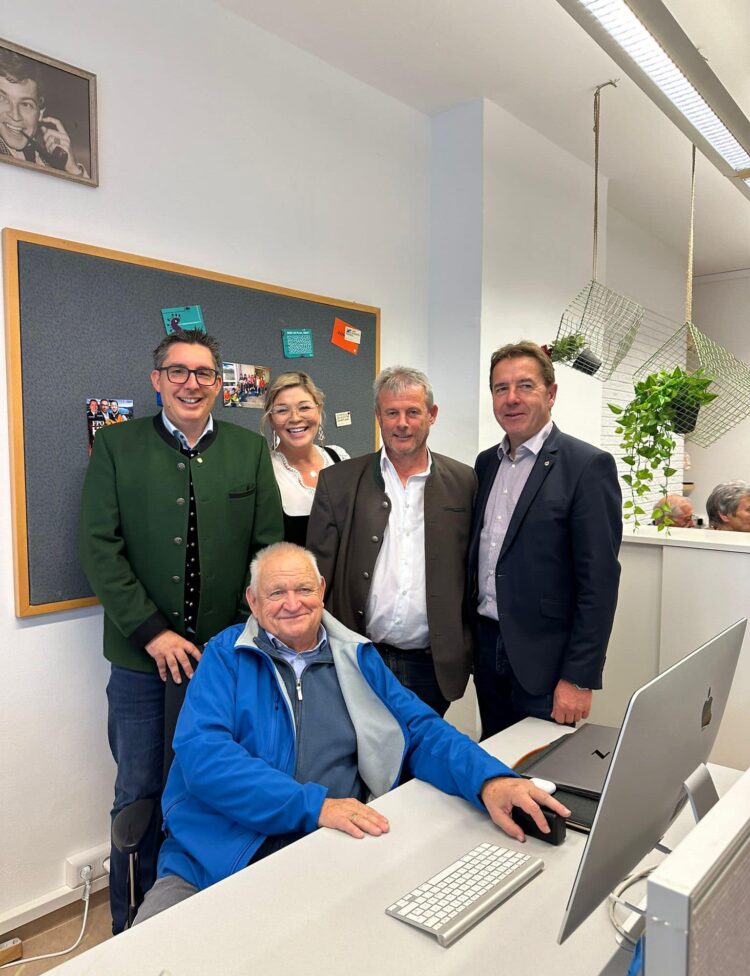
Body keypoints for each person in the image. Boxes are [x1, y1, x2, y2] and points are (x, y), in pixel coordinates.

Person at [132, 543, 569, 924]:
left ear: (322, 590)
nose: (292, 603)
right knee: (146, 969)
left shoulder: (357, 656)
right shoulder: (224, 656)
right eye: (276, 592)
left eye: (304, 589)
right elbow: (205, 757)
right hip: (211, 856)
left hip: (324, 851)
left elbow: (420, 730)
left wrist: (490, 780)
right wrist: (314, 805)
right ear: (252, 600)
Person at [79, 328, 283, 934]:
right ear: (157, 380)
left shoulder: (249, 450)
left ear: (219, 383)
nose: (191, 384)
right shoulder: (116, 446)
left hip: (226, 660)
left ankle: (209, 922)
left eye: (204, 373)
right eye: (178, 371)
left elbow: (267, 549)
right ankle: (130, 932)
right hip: (142, 661)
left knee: (218, 784)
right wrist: (152, 632)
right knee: (139, 796)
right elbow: (99, 548)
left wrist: (240, 638)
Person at [468, 341, 622, 739]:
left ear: (550, 394)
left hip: (548, 662)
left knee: (544, 768)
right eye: (501, 388)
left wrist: (579, 676)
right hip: (488, 648)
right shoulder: (485, 464)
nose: (511, 398)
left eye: (525, 386)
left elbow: (599, 583)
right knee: (494, 759)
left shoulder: (587, 466)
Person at [307, 366, 475, 717]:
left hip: (430, 666)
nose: (402, 423)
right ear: (378, 416)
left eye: (413, 412)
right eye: (392, 413)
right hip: (359, 658)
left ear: (432, 415)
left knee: (423, 750)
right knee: (360, 750)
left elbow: (471, 571)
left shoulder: (464, 482)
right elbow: (317, 577)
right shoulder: (338, 482)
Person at [262, 371, 349, 546]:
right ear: (271, 419)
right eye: (282, 410)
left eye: (304, 407)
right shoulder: (264, 472)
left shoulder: (339, 458)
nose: (295, 418)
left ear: (319, 410)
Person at [0, 48, 89, 178]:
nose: (15, 115)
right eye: (2, 99)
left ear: (40, 113)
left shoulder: (49, 161)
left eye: (26, 104)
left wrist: (73, 170)